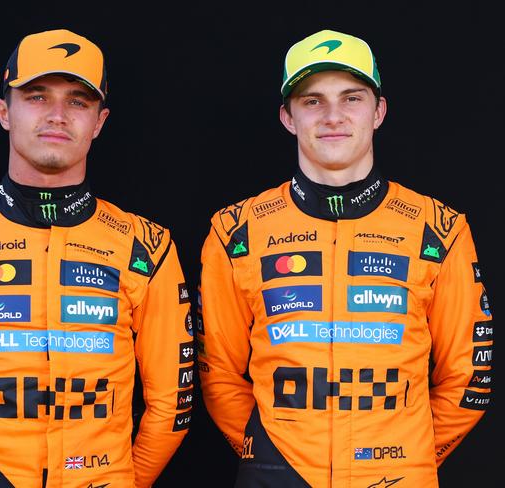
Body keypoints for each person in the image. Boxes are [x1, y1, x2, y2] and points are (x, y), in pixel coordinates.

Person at [0, 28, 193, 488]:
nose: (58, 116)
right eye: (37, 96)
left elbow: (172, 404)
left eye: (78, 101)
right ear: (4, 112)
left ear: (100, 122)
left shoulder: (148, 247)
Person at [197, 29, 492, 487]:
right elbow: (217, 373)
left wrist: (406, 456)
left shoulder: (440, 228)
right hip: (276, 474)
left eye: (351, 98)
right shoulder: (236, 230)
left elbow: (468, 376)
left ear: (379, 112)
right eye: (312, 101)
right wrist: (272, 457)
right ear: (287, 117)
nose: (333, 116)